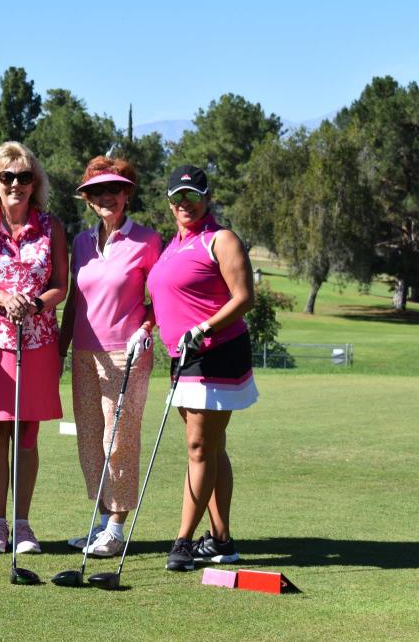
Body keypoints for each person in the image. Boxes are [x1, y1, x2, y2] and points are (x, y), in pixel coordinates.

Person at [147, 164, 258, 572]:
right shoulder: (172, 246)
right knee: (211, 447)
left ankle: (182, 541)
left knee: (198, 447)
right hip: (184, 356)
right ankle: (222, 540)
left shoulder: (221, 239)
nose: (184, 204)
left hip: (217, 351)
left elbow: (244, 297)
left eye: (191, 196)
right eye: (177, 197)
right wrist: (148, 325)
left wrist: (205, 327)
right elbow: (166, 299)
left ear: (206, 197)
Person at [0, 141, 68, 554]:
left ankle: (23, 526)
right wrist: (3, 299)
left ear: (35, 183)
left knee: (27, 434)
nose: (16, 184)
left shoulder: (52, 226)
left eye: (25, 177)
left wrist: (36, 303)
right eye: (8, 177)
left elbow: (60, 283)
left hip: (37, 342)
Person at [57, 156, 161, 557]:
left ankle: (117, 527)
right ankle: (101, 522)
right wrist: (60, 351)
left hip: (126, 354)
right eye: (97, 190)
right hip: (84, 354)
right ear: (87, 199)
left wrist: (145, 328)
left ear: (127, 194)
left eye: (114, 189)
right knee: (90, 441)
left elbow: (160, 298)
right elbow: (74, 303)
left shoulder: (147, 241)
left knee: (118, 439)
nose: (107, 197)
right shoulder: (82, 243)